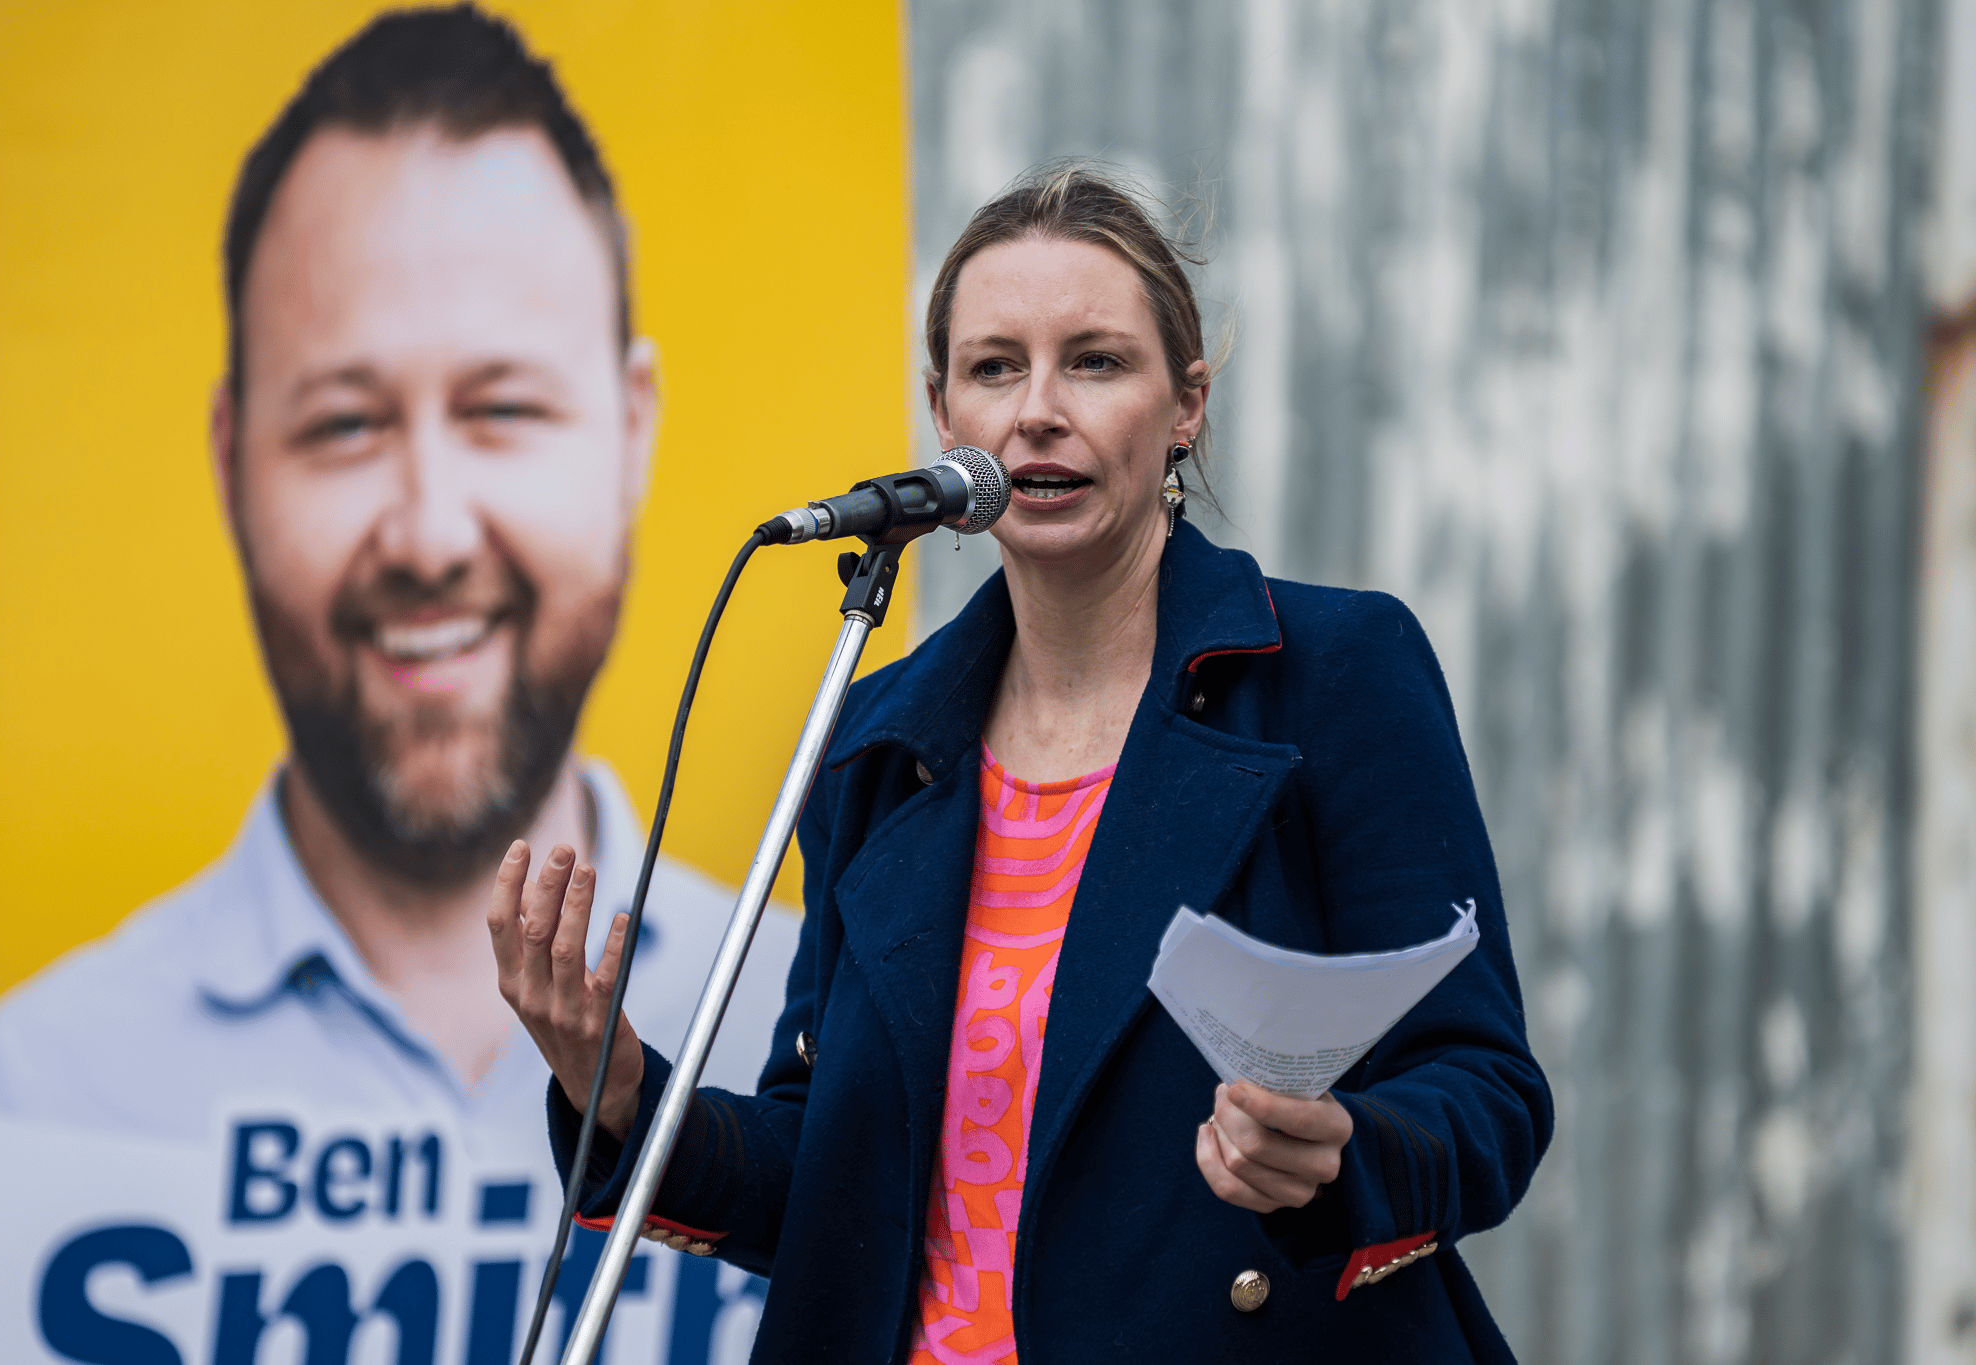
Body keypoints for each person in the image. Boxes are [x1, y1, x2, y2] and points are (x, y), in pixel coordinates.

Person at [494, 164, 1553, 1363]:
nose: (1037, 410)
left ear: (1185, 404)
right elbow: (831, 1188)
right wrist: (620, 1089)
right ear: (944, 414)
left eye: (1094, 362)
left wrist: (1344, 1153)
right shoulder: (880, 736)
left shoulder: (1332, 672)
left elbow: (1485, 1092)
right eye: (996, 367)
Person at [0, 8, 792, 1362]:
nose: (427, 533)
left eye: (503, 408)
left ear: (631, 433)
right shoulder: (30, 1078)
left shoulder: (806, 1015)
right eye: (343, 423)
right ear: (233, 463)